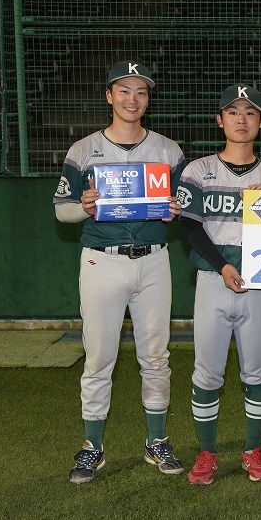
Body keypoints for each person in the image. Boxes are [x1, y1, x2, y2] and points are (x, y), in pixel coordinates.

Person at [53, 61, 186, 484]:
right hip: (102, 260)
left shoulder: (169, 150)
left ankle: (157, 440)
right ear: (109, 95)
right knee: (98, 357)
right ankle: (93, 445)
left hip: (154, 259)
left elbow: (182, 207)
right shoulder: (83, 150)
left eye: (141, 92)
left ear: (148, 99)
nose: (133, 99)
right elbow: (62, 211)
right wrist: (84, 206)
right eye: (124, 90)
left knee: (156, 356)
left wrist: (175, 210)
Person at [178, 84, 261, 486]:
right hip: (213, 281)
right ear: (219, 119)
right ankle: (207, 452)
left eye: (249, 112)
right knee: (207, 373)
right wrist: (223, 265)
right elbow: (190, 228)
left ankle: (253, 449)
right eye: (232, 112)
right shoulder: (197, 171)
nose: (241, 119)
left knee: (257, 371)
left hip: (258, 286)